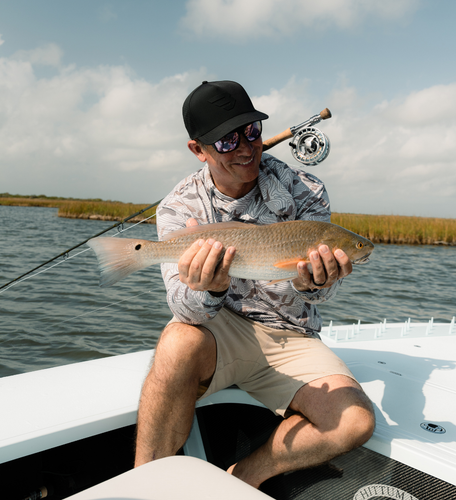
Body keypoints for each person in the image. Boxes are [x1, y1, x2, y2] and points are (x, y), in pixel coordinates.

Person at [134, 80, 375, 488]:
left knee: (354, 422)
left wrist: (314, 284)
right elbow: (184, 310)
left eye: (252, 132)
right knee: (177, 341)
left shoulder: (307, 189)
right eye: (227, 142)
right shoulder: (179, 207)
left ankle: (243, 477)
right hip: (220, 331)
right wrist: (208, 288)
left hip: (293, 335)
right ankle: (142, 487)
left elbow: (322, 292)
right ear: (198, 150)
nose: (246, 148)